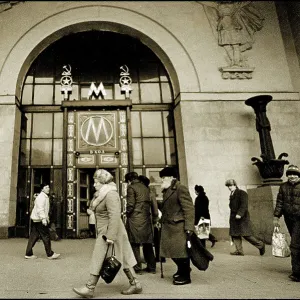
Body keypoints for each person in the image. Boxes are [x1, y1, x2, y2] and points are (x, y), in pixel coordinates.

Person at [73, 169, 142, 298]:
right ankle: (135, 283)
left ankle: (90, 287)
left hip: (109, 232)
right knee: (122, 258)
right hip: (108, 230)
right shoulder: (101, 194)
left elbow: (115, 216)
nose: (94, 185)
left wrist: (110, 236)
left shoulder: (110, 195)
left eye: (96, 182)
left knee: (98, 257)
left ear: (103, 182)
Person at [159, 167, 195, 285]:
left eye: (163, 178)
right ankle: (181, 270)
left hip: (179, 227)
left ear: (171, 177)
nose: (162, 180)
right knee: (172, 252)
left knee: (181, 253)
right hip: (170, 226)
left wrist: (189, 228)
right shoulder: (168, 190)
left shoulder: (180, 188)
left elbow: (189, 209)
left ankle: (185, 276)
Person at [124, 172, 157, 274]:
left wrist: (127, 213)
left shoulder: (131, 188)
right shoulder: (146, 188)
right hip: (146, 218)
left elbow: (130, 204)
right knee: (147, 244)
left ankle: (137, 268)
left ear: (129, 180)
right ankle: (152, 267)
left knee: (135, 244)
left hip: (135, 219)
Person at [225, 179, 265, 256]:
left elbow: (244, 205)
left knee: (246, 234)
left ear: (235, 185)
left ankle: (260, 245)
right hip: (233, 218)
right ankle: (239, 251)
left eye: (231, 185)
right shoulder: (232, 194)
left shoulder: (242, 193)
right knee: (235, 234)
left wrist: (240, 214)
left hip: (242, 217)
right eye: (228, 186)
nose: (229, 187)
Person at [273, 165, 300, 282]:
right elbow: (280, 202)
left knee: (295, 244)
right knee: (297, 243)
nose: (292, 176)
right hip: (289, 219)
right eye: (289, 174)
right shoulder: (283, 186)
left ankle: (297, 273)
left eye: (295, 174)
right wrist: (276, 216)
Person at [25, 183, 60, 260]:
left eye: (48, 187)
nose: (48, 188)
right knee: (46, 236)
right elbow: (40, 209)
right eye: (46, 187)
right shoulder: (41, 197)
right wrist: (44, 219)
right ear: (42, 189)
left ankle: (28, 253)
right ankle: (50, 254)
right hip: (40, 220)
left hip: (36, 219)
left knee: (33, 236)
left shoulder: (43, 196)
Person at [138, 175, 161, 262]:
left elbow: (155, 210)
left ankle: (150, 262)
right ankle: (151, 263)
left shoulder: (146, 193)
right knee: (148, 243)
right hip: (149, 220)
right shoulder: (150, 193)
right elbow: (155, 210)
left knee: (146, 242)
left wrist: (155, 219)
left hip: (145, 220)